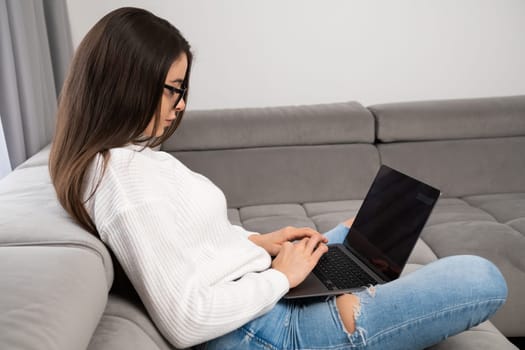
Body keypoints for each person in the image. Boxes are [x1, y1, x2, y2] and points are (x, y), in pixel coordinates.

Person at [49, 7, 507, 350]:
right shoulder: (120, 180)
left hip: (259, 293)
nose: (181, 104)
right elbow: (185, 318)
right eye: (174, 89)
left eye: (183, 90)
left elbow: (184, 246)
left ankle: (346, 281)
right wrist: (282, 281)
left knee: (358, 233)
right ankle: (346, 307)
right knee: (482, 276)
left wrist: (260, 243)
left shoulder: (132, 157)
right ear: (126, 81)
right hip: (272, 329)